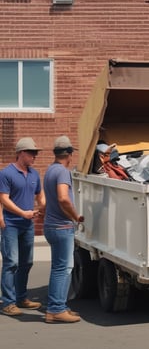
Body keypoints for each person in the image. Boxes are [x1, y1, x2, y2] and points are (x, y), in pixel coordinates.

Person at [0, 137, 45, 316]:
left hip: (28, 225)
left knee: (26, 262)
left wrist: (42, 207)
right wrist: (22, 213)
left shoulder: (34, 174)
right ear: (20, 153)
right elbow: (3, 198)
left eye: (35, 153)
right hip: (11, 224)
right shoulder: (6, 173)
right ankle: (8, 302)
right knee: (11, 263)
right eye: (31, 153)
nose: (34, 156)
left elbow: (39, 194)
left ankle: (21, 298)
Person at [43, 135, 84, 323]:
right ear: (68, 154)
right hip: (62, 227)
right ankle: (56, 309)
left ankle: (58, 305)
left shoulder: (50, 170)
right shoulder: (62, 172)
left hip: (51, 226)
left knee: (58, 268)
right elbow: (63, 198)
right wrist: (76, 217)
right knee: (63, 268)